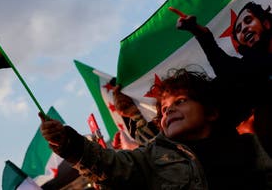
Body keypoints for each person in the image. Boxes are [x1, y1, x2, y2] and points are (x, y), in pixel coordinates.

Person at [40, 68, 272, 189]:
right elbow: (110, 167)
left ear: (210, 112)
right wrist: (69, 144)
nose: (169, 110)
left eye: (180, 101)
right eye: (164, 109)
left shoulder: (250, 144)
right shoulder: (151, 157)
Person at [170, 3, 272, 157]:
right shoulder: (248, 70)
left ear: (266, 23)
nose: (244, 28)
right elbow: (229, 70)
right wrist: (201, 34)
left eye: (248, 20)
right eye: (238, 29)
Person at [111, 84, 159, 150]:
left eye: (178, 103)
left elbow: (161, 150)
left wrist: (131, 147)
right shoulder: (135, 129)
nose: (170, 110)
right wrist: (133, 113)